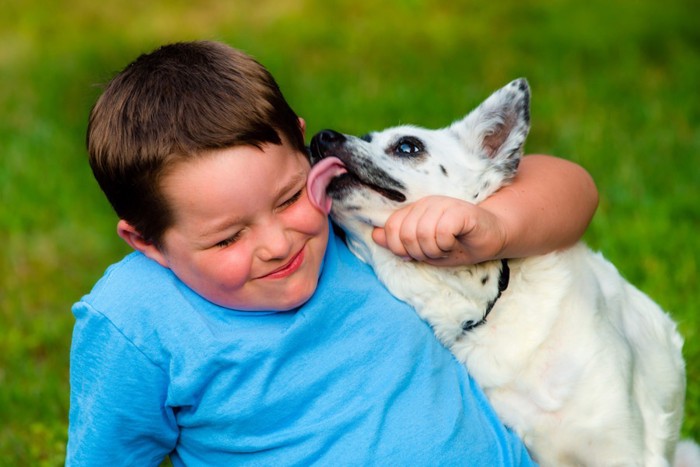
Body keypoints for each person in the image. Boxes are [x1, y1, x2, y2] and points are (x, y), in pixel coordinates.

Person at [67, 41, 598, 466]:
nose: (279, 244)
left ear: (301, 147)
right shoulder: (138, 319)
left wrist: (498, 226)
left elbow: (573, 188)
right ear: (146, 241)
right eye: (228, 238)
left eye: (289, 196)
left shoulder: (344, 221)